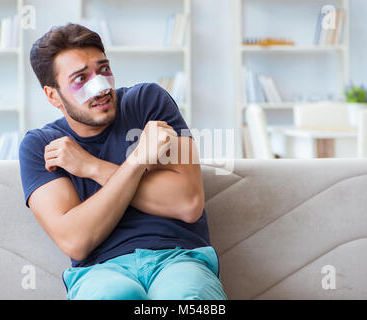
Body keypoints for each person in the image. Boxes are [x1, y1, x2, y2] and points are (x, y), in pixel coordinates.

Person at [19, 23, 227, 300]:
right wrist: (140, 160)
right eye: (80, 79)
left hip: (179, 258)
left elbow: (188, 203)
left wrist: (92, 166)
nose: (101, 87)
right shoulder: (41, 146)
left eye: (104, 69)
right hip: (99, 271)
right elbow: (76, 241)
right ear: (53, 95)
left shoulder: (149, 102)